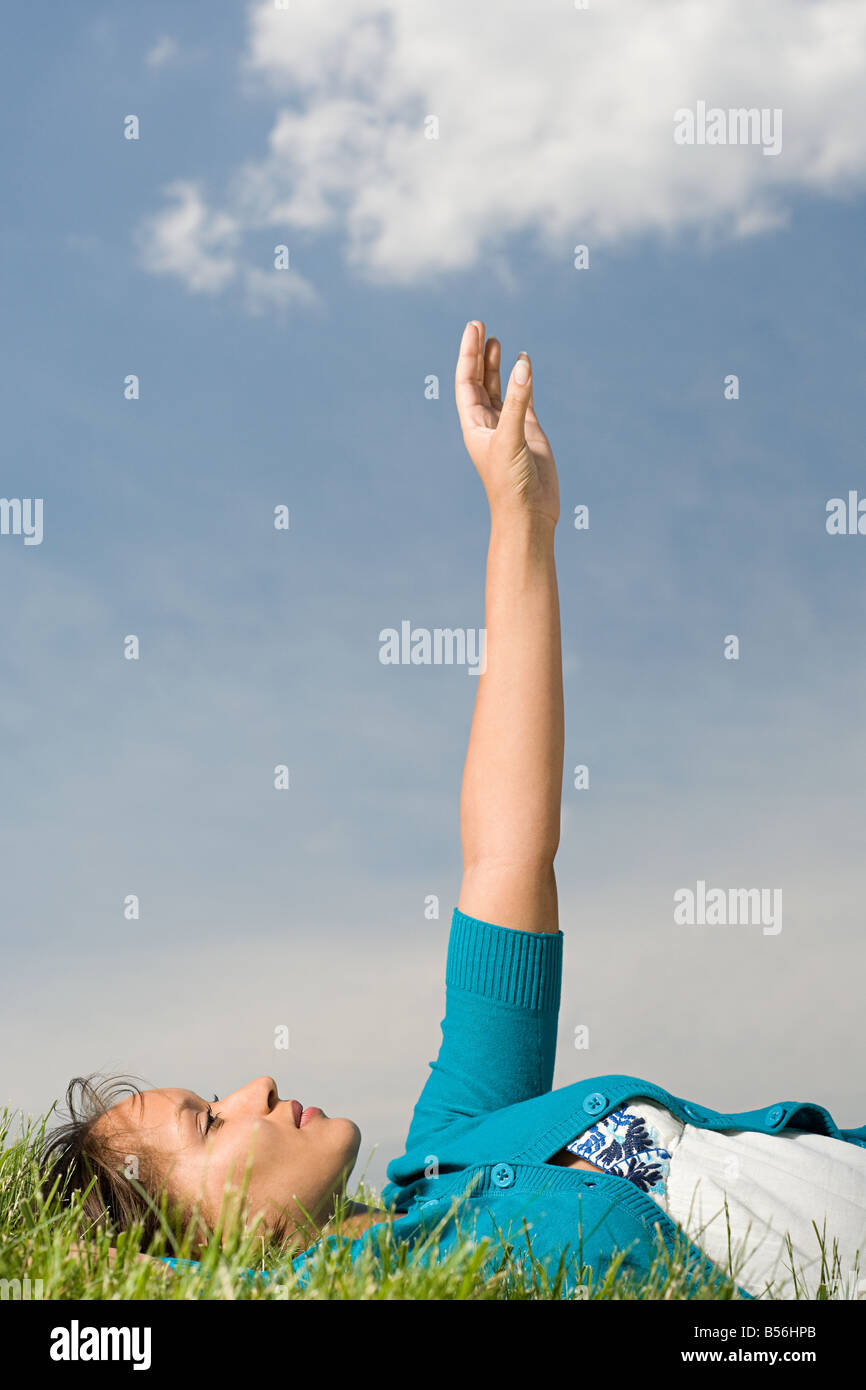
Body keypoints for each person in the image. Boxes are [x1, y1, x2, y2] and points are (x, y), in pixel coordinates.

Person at [41, 320, 866, 1300]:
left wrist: (518, 513)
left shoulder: (448, 1148)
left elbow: (505, 852)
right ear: (211, 1246)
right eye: (210, 1123)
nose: (254, 1087)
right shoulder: (385, 1285)